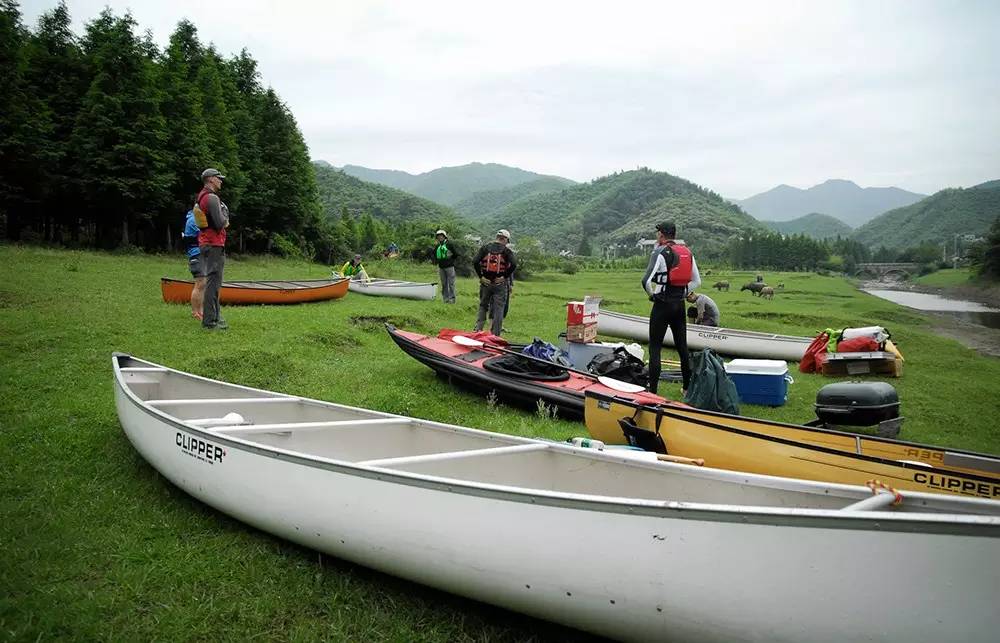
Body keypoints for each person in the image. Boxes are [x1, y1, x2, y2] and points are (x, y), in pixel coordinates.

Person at [642, 221, 701, 394]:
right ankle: (687, 388)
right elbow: (697, 281)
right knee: (682, 347)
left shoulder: (659, 252)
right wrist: (682, 293)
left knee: (655, 348)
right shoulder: (687, 252)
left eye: (657, 233)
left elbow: (645, 281)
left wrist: (652, 295)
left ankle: (652, 391)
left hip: (662, 304)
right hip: (679, 305)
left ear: (661, 234)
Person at [195, 168, 230, 330]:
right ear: (210, 179)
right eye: (218, 178)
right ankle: (209, 322)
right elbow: (219, 222)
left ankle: (215, 317)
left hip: (207, 243)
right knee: (213, 283)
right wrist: (225, 214)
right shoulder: (211, 198)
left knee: (213, 282)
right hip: (213, 244)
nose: (221, 181)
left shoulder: (202, 196)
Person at [473, 229, 517, 336]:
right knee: (499, 309)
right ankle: (495, 335)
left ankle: (478, 330)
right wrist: (504, 277)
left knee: (483, 305)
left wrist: (481, 277)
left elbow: (475, 261)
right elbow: (514, 264)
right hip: (499, 284)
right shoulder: (506, 251)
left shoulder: (485, 248)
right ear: (505, 239)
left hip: (486, 283)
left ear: (497, 237)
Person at [182, 209, 206, 321]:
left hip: (200, 254)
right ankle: (195, 312)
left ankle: (200, 311)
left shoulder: (196, 218)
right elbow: (204, 234)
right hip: (196, 255)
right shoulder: (193, 220)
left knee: (203, 283)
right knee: (200, 283)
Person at [433, 230, 457, 304]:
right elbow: (434, 254)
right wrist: (437, 261)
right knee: (444, 284)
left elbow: (456, 254)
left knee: (451, 284)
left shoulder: (449, 244)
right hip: (441, 267)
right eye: (438, 236)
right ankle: (445, 299)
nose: (440, 237)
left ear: (444, 236)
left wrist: (450, 260)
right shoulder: (438, 246)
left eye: (441, 236)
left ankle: (452, 300)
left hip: (449, 267)